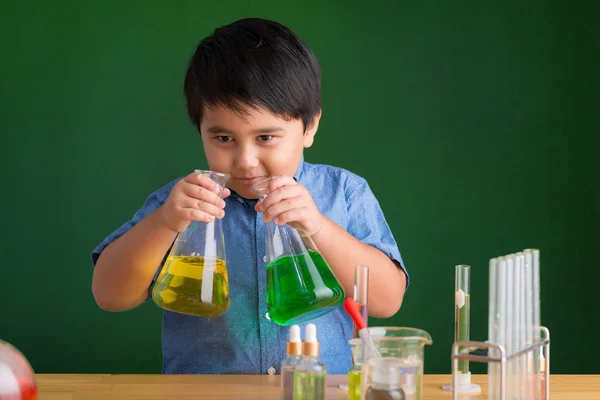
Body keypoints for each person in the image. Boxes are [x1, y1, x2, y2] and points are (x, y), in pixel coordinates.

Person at [91, 17, 409, 375]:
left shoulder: (343, 192)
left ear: (310, 127)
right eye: (223, 138)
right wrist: (165, 223)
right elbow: (109, 294)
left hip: (317, 390)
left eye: (266, 138)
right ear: (200, 129)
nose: (245, 161)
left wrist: (318, 226)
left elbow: (387, 299)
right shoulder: (180, 204)